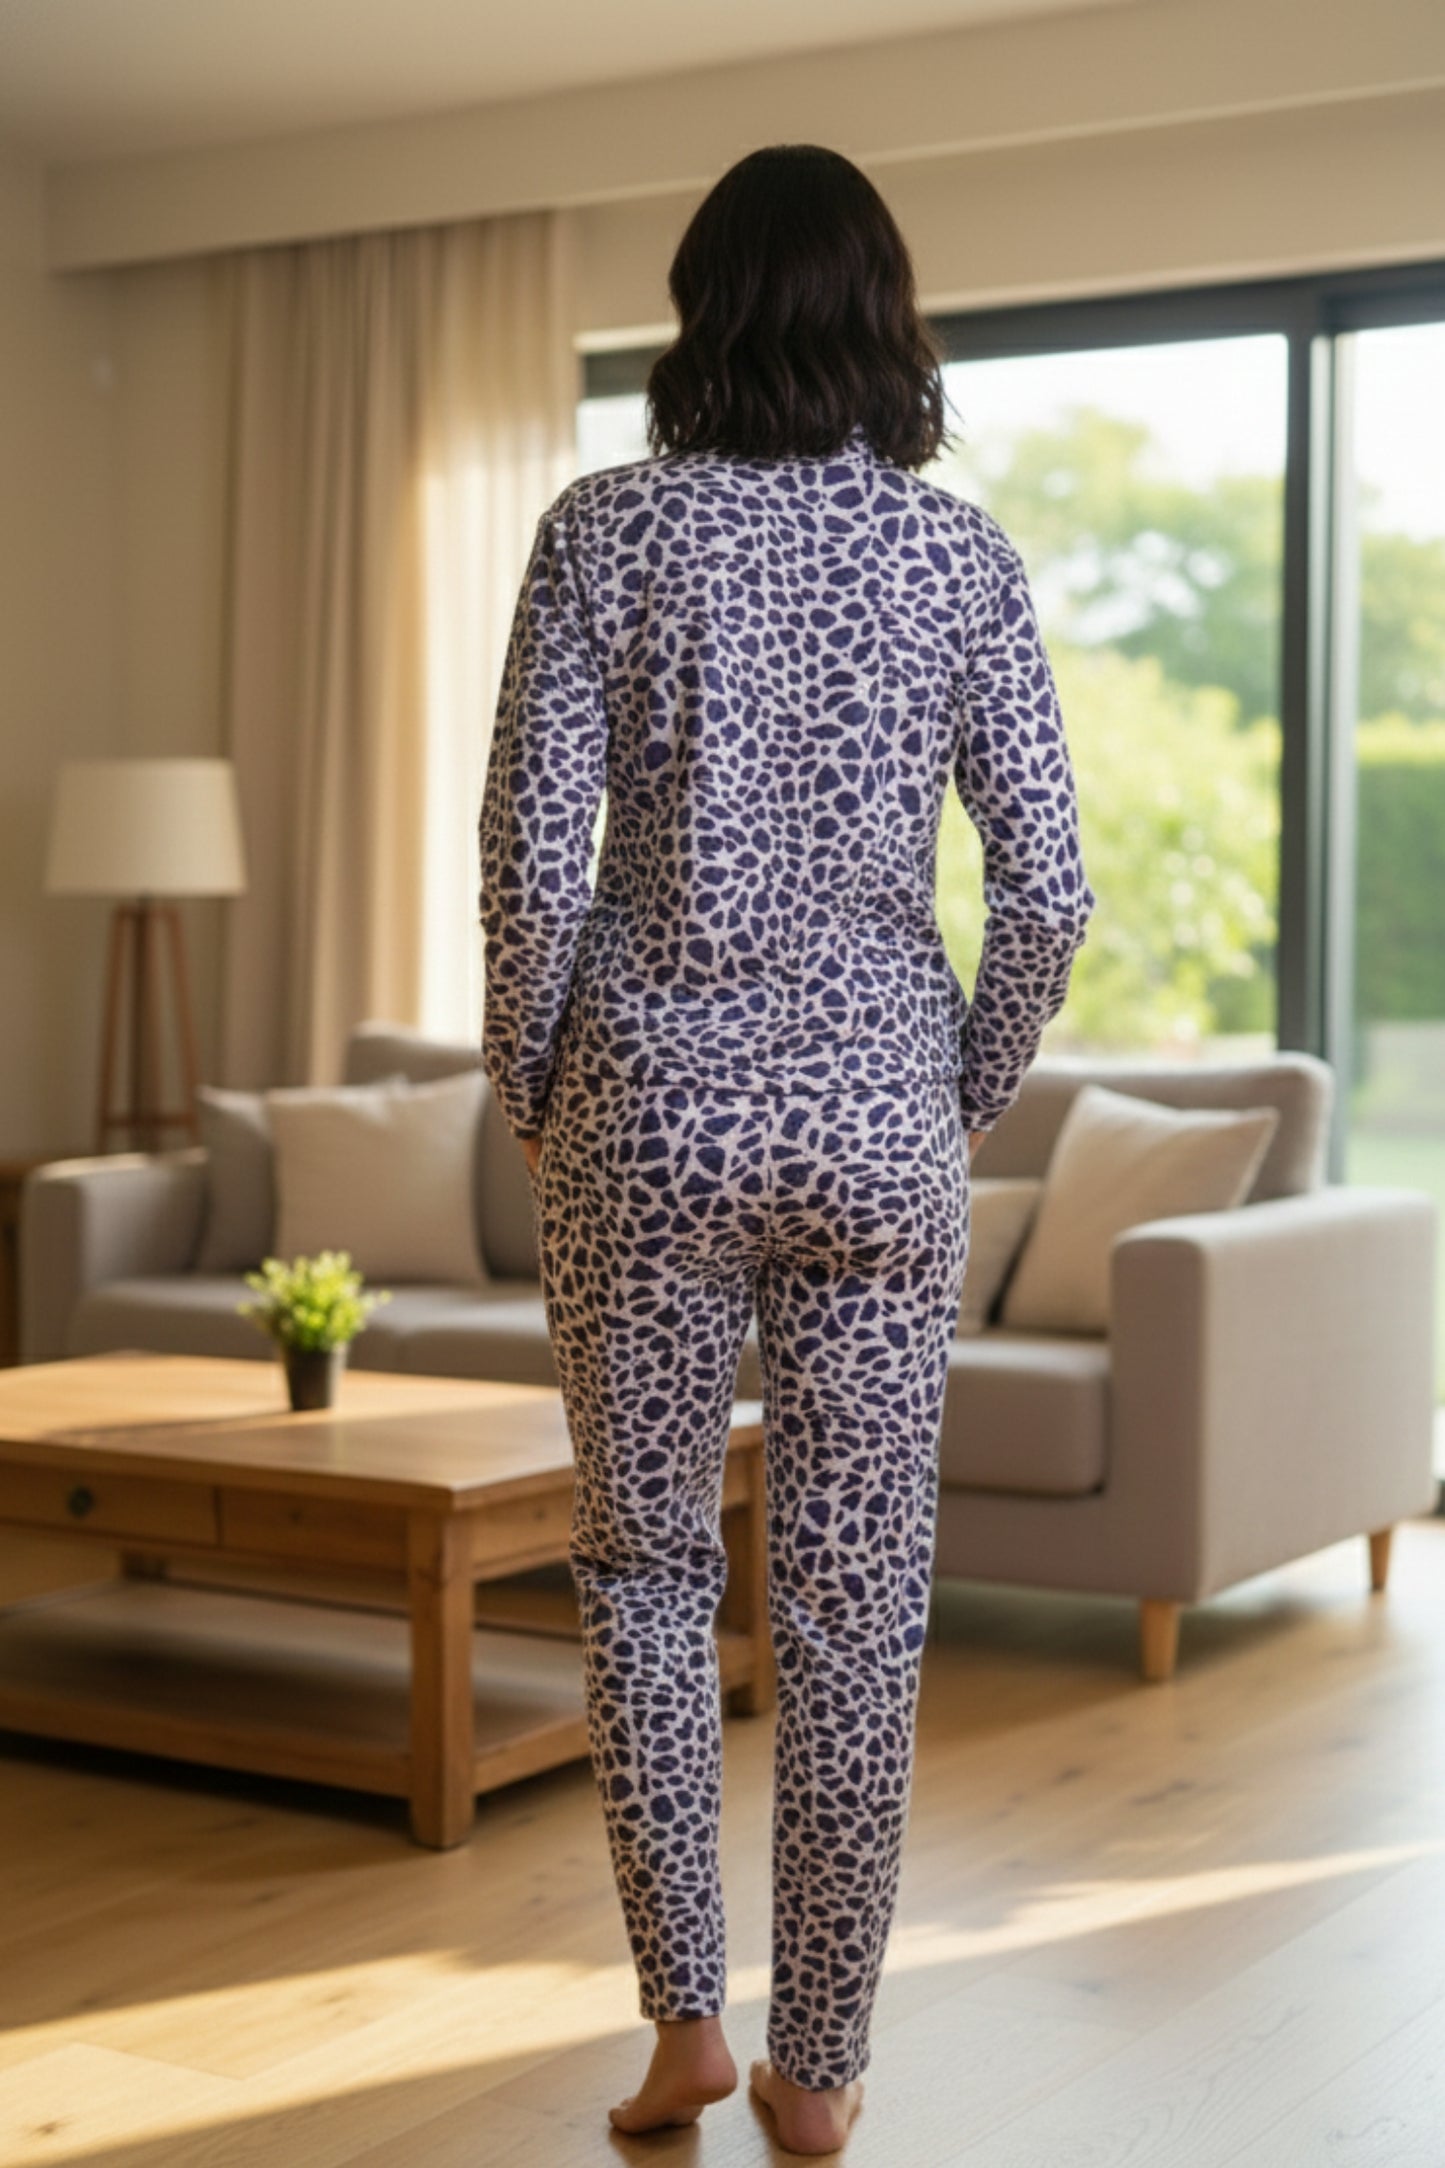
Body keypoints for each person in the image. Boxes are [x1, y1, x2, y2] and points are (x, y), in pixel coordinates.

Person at [478, 141, 1096, 2157]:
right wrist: (959, 1082)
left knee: (647, 1571)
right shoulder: (956, 556)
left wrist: (537, 1084)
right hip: (877, 1127)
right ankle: (820, 2067)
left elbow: (526, 869)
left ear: (702, 312)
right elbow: (1054, 888)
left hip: (645, 1116)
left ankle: (682, 2031)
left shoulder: (604, 532)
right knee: (858, 1604)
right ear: (886, 325)